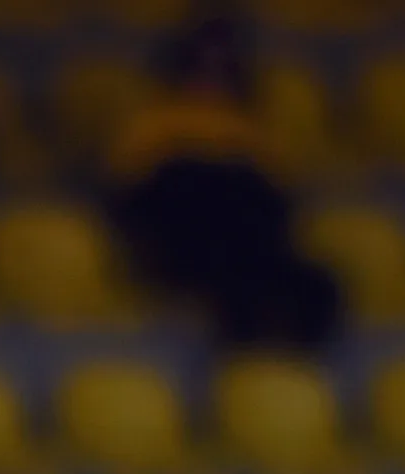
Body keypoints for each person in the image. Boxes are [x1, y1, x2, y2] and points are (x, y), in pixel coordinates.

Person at [106, 10, 341, 351]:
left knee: (317, 283)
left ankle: (295, 366)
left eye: (221, 66)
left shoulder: (254, 129)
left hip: (249, 240)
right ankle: (244, 354)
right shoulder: (151, 122)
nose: (210, 77)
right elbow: (132, 193)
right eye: (201, 65)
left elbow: (278, 197)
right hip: (187, 238)